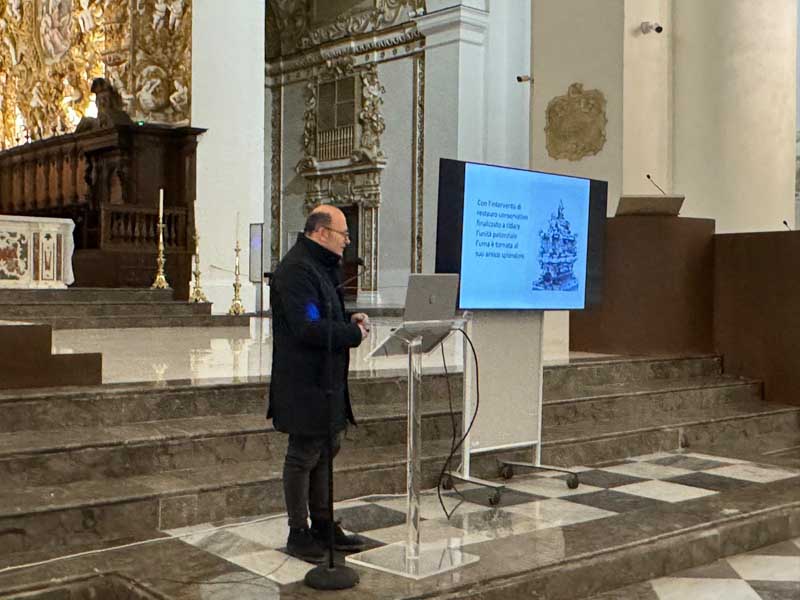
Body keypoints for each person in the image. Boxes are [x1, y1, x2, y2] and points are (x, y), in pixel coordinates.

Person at [268, 204, 370, 563]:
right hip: (304, 382)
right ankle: (298, 532)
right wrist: (352, 334)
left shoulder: (319, 266)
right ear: (322, 232)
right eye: (344, 234)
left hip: (326, 380)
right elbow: (307, 326)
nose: (348, 241)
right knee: (303, 456)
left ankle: (324, 524)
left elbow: (320, 311)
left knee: (326, 450)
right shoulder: (297, 269)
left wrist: (347, 318)